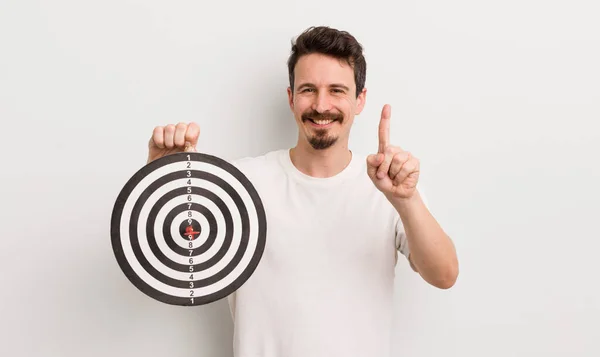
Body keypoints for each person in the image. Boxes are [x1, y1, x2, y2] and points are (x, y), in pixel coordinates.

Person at [146, 26, 458, 357]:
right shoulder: (241, 184)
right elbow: (174, 261)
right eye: (309, 89)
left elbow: (444, 275)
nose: (321, 105)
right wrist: (161, 179)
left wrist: (406, 201)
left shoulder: (392, 187)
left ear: (360, 99)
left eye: (337, 90)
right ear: (291, 98)